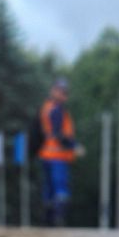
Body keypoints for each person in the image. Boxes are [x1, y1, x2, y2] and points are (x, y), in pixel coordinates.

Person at [37, 79, 81, 226]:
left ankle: (48, 219)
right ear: (54, 91)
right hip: (58, 157)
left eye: (65, 93)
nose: (63, 95)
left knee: (49, 190)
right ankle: (57, 219)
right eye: (61, 92)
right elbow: (59, 134)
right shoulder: (57, 110)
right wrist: (74, 146)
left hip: (47, 155)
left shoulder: (47, 108)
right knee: (60, 189)